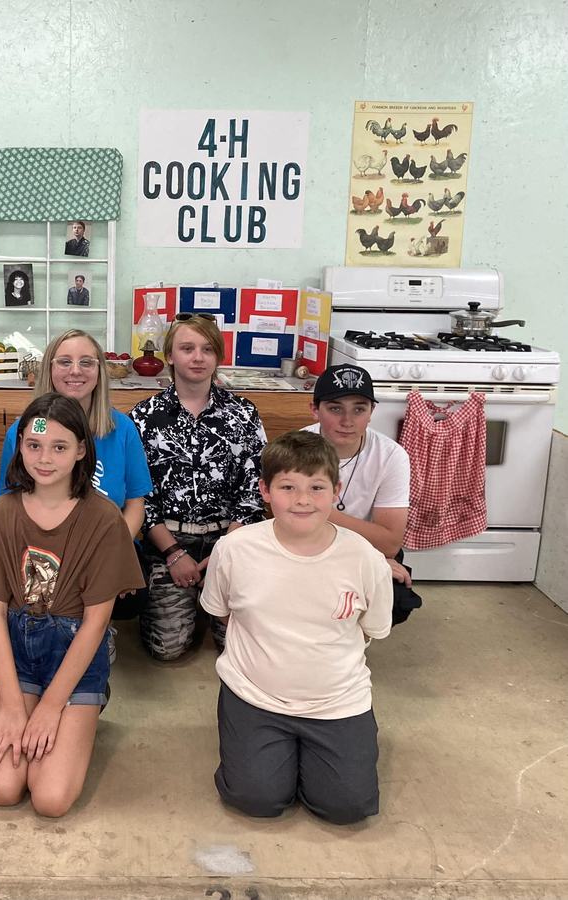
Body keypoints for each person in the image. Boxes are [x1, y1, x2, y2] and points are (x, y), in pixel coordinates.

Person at [200, 430, 393, 823]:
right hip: (255, 695)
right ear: (264, 491)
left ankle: (317, 756)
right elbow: (222, 612)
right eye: (287, 487)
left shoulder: (366, 560)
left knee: (346, 807)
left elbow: (371, 629)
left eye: (317, 487)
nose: (303, 500)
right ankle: (270, 754)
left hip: (337, 701)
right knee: (257, 799)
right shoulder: (234, 550)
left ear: (336, 491)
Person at [0, 393, 144, 816]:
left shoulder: (103, 519)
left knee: (49, 798)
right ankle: (30, 708)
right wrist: (13, 706)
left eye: (59, 447)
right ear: (20, 446)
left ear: (81, 450)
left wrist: (50, 709)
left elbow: (95, 623)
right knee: (3, 788)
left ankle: (84, 711)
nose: (44, 458)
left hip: (76, 657)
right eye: (34, 445)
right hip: (17, 653)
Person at [129, 313, 266, 661]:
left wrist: (226, 554)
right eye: (187, 348)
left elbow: (255, 488)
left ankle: (210, 600)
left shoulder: (243, 414)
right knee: (168, 649)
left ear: (218, 356)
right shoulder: (144, 417)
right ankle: (190, 600)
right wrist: (174, 554)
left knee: (238, 647)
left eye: (207, 349)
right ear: (170, 356)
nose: (197, 357)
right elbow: (139, 497)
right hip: (169, 542)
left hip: (230, 540)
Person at [0, 329, 152, 623]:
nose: (75, 371)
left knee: (133, 596)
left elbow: (135, 504)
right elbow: (10, 505)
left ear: (99, 371)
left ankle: (98, 628)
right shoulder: (23, 431)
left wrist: (112, 551)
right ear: (50, 369)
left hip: (104, 540)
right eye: (65, 362)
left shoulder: (122, 429)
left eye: (86, 362)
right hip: (42, 543)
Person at [304, 364, 421, 625]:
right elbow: (293, 526)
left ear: (371, 413)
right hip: (309, 545)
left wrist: (322, 514)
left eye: (359, 409)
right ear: (315, 410)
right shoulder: (297, 449)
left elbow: (390, 542)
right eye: (335, 408)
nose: (347, 421)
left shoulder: (391, 456)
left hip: (370, 548)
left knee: (396, 602)